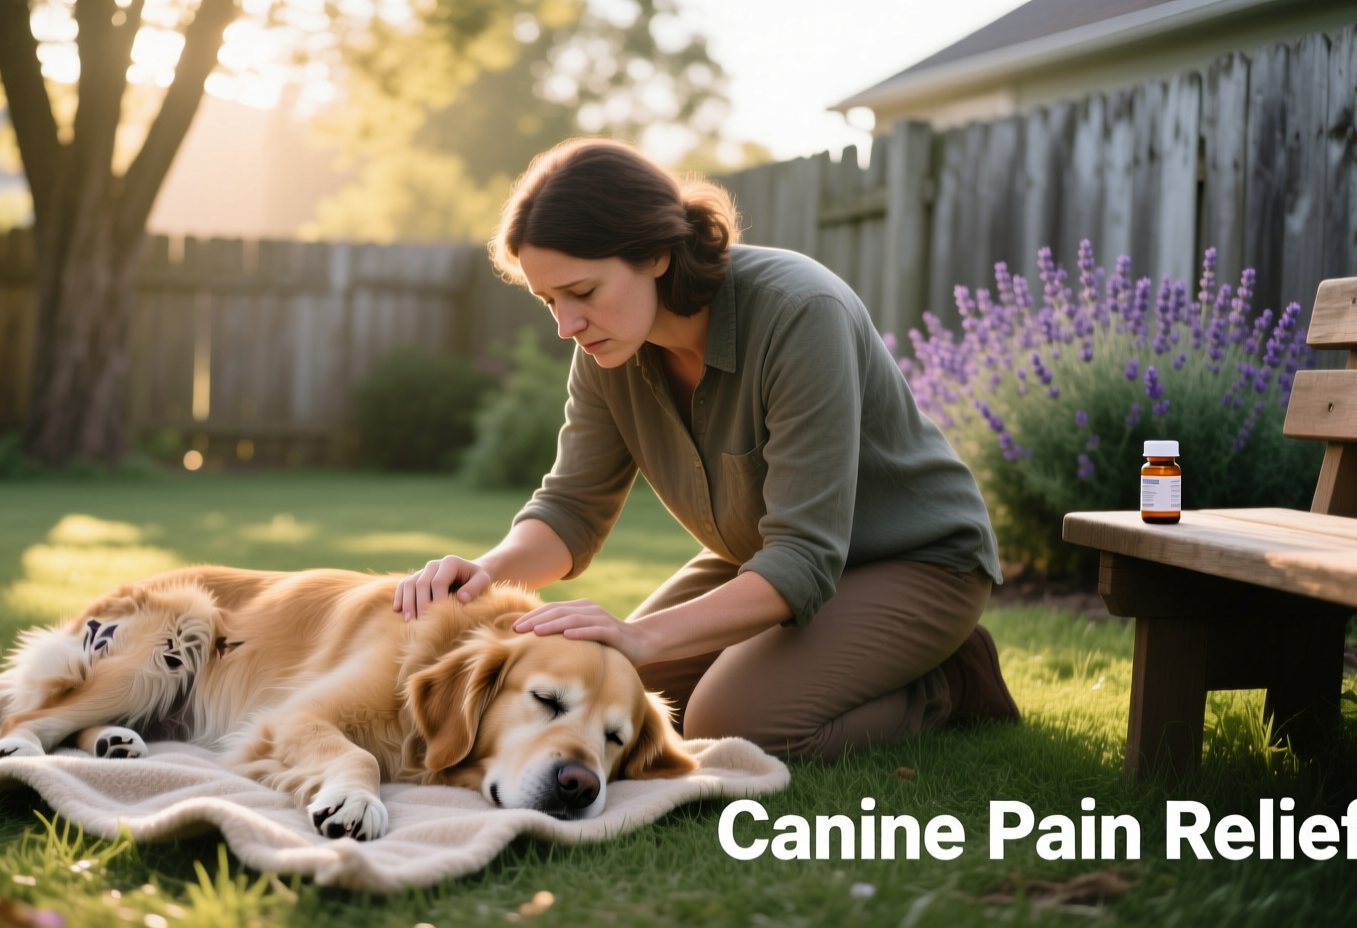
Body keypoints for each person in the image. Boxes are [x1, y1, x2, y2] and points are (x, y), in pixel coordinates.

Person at [392, 138, 1017, 760]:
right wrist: (484, 573)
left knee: (730, 720)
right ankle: (861, 657)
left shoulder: (800, 313)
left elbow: (804, 554)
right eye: (549, 300)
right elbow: (571, 509)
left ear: (658, 255)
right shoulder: (609, 348)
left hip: (915, 561)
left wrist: (639, 634)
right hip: (764, 560)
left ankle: (945, 683)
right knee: (619, 693)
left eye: (582, 291)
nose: (566, 324)